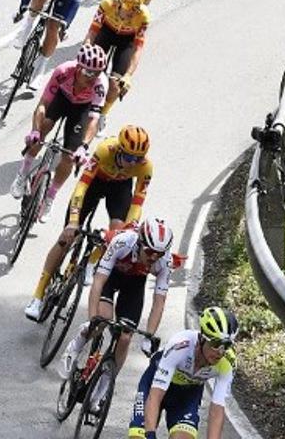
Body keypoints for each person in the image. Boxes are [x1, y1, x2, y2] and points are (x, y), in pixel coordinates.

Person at [24, 125, 153, 322]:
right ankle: (38, 296)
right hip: (94, 183)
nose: (133, 163)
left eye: (138, 159)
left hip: (119, 188)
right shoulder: (105, 150)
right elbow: (82, 185)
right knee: (65, 239)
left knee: (118, 234)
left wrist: (129, 229)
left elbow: (137, 203)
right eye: (129, 158)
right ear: (119, 150)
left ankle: (93, 260)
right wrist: (73, 222)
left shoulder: (145, 167)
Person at [59, 217, 173, 377]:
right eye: (149, 251)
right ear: (139, 243)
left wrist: (150, 335)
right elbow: (98, 282)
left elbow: (159, 302)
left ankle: (106, 384)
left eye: (159, 254)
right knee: (102, 319)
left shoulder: (165, 262)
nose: (153, 257)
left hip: (134, 283)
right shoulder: (123, 242)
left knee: (125, 337)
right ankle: (76, 345)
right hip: (111, 275)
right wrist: (91, 319)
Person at [9, 43, 108, 218]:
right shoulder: (63, 71)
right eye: (88, 72)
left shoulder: (100, 85)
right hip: (61, 98)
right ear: (78, 67)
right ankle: (22, 174)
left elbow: (93, 120)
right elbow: (42, 105)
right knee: (43, 128)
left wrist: (83, 147)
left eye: (97, 72)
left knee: (69, 157)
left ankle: (50, 197)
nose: (92, 77)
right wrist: (35, 131)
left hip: (81, 109)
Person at [128, 305, 238, 439]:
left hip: (186, 396)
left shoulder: (227, 362)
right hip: (155, 386)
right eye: (216, 344)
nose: (220, 352)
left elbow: (217, 410)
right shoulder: (180, 346)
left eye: (226, 346)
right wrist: (150, 434)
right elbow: (155, 396)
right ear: (202, 339)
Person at [84, 0, 150, 117]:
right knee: (90, 72)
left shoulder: (143, 16)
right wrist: (86, 51)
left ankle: (103, 115)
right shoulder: (107, 3)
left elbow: (138, 48)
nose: (131, 12)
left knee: (115, 85)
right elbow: (92, 32)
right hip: (106, 32)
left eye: (136, 8)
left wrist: (128, 75)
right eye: (127, 6)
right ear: (119, 1)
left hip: (126, 40)